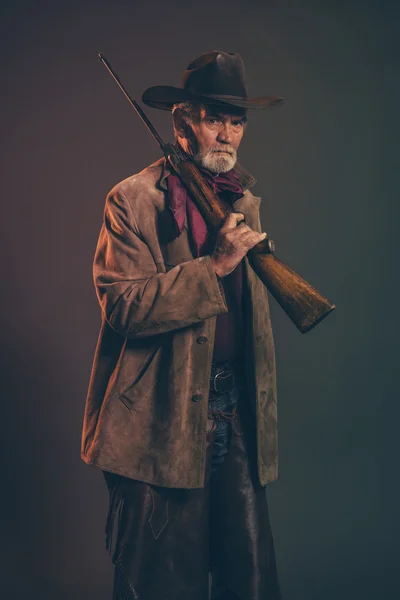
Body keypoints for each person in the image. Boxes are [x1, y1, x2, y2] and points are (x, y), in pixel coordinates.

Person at [81, 50, 285, 600]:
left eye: (236, 121)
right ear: (182, 122)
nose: (227, 134)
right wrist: (213, 267)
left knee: (249, 578)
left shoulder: (243, 201)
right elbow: (123, 307)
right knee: (163, 580)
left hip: (237, 411)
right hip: (159, 417)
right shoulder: (131, 200)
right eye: (214, 117)